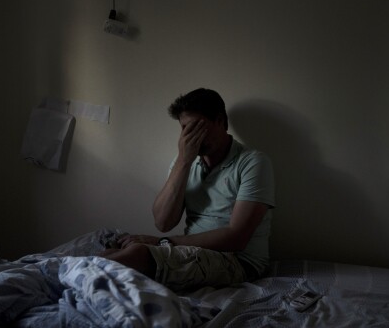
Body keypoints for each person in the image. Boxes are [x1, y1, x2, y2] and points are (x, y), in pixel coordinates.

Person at [102, 88, 275, 292]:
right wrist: (184, 162)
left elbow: (237, 237)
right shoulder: (184, 162)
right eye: (186, 129)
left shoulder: (253, 162)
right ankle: (72, 272)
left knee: (139, 254)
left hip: (239, 261)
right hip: (190, 250)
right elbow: (163, 222)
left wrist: (162, 242)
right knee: (114, 249)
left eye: (198, 128)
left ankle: (72, 274)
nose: (192, 138)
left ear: (220, 121)